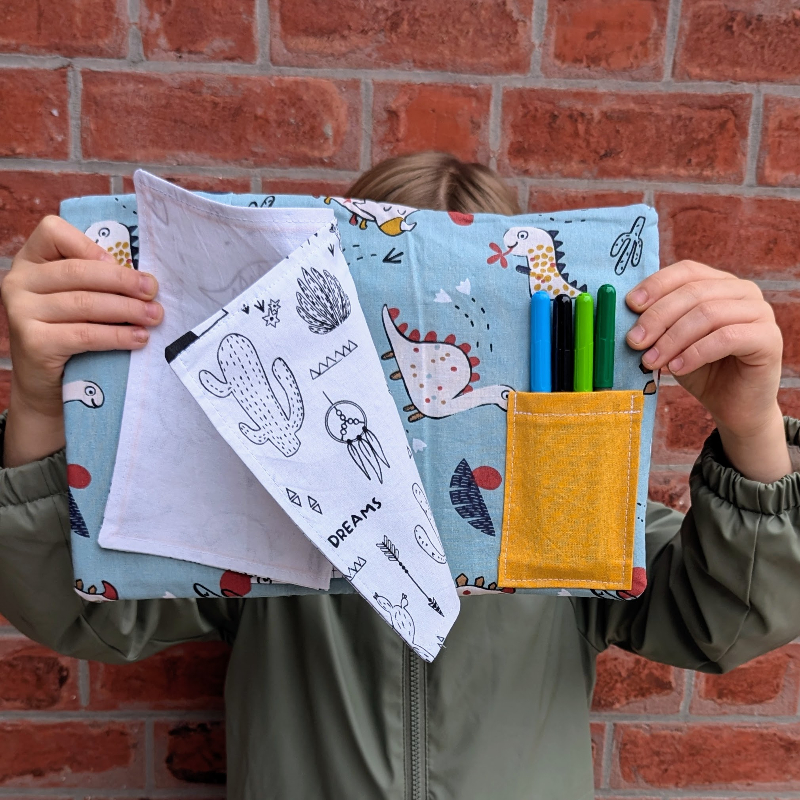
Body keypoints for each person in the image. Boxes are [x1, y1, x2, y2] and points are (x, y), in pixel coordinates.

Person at [1, 151, 799, 800]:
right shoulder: (256, 487)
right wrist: (39, 403)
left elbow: (723, 621)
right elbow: (88, 616)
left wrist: (753, 424)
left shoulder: (574, 505)